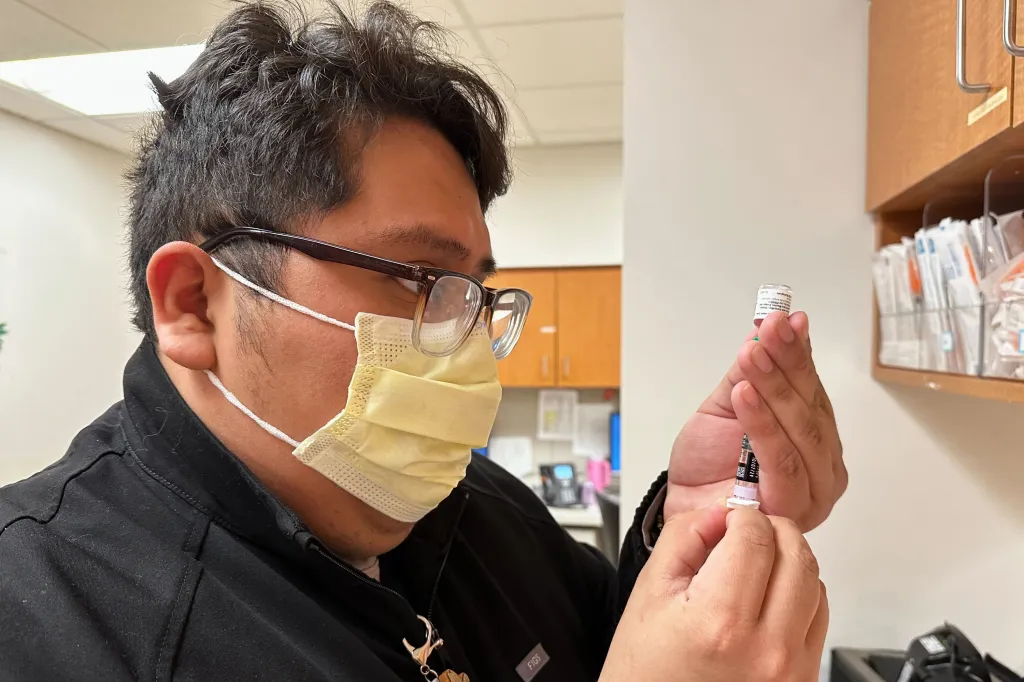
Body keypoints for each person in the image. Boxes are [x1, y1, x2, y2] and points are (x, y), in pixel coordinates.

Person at [0, 2, 847, 680]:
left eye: (473, 295)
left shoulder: (462, 497)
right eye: (417, 279)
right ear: (194, 304)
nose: (468, 346)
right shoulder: (44, 619)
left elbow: (605, 637)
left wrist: (687, 532)